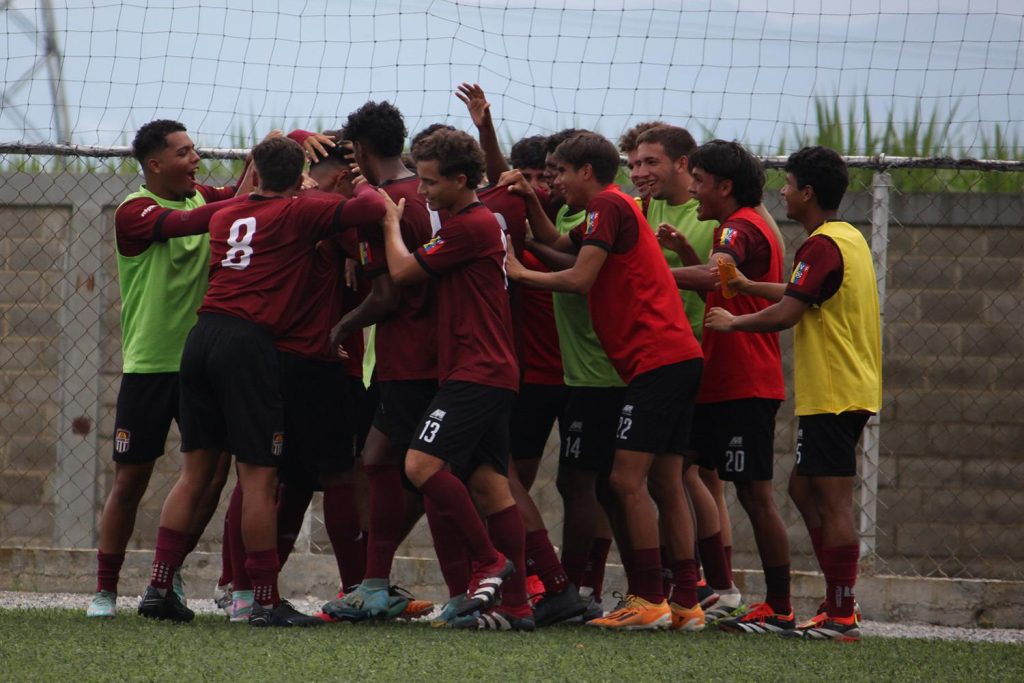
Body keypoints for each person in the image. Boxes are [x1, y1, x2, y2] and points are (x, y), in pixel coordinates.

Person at [137, 136, 386, 627]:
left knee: (194, 473)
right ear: (300, 180)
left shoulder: (226, 213)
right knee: (259, 478)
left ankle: (158, 586)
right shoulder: (300, 212)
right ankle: (263, 600)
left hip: (202, 335)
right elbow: (373, 205)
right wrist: (354, 184)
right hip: (248, 346)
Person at [507, 132, 705, 632]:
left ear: (587, 173)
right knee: (662, 480)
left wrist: (515, 272)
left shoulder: (607, 207)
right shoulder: (609, 210)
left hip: (657, 360)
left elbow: (578, 279)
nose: (554, 182)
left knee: (622, 481)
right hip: (672, 358)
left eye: (558, 174)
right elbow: (555, 244)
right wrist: (530, 206)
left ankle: (649, 597)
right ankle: (685, 600)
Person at [705, 145, 881, 642]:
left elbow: (788, 314)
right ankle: (833, 599)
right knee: (803, 489)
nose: (781, 191)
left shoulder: (821, 245)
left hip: (834, 389)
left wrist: (733, 320)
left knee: (833, 500)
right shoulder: (846, 239)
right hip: (848, 385)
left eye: (788, 184)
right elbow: (798, 292)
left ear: (807, 192)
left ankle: (842, 613)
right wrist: (744, 284)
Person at [87, 120, 246, 618]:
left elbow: (244, 190)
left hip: (200, 365)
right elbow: (190, 224)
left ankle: (166, 573)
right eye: (184, 152)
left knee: (212, 472)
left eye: (195, 149)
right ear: (155, 164)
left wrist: (286, 146)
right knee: (130, 481)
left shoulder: (203, 195)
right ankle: (105, 591)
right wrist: (247, 198)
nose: (196, 159)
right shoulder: (134, 211)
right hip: (151, 366)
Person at [379, 128, 533, 631]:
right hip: (485, 371)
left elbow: (401, 274)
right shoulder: (476, 219)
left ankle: (488, 562)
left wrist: (388, 223)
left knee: (420, 466)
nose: (421, 192)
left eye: (429, 182)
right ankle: (516, 606)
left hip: (476, 372)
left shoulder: (470, 224)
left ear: (462, 180)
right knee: (491, 487)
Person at [311, 101, 439, 621]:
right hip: (444, 352)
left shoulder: (380, 204)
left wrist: (339, 327)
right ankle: (375, 581)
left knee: (424, 471)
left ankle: (490, 579)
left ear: (360, 150)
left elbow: (386, 296)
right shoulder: (431, 191)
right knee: (389, 463)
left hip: (410, 356)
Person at [673, 139, 794, 634]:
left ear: (724, 185)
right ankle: (710, 587)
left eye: (698, 181)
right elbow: (721, 281)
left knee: (755, 495)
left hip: (745, 381)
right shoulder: (743, 221)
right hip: (719, 378)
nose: (693, 190)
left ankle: (780, 606)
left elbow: (716, 271)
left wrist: (643, 271)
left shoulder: (738, 226)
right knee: (674, 469)